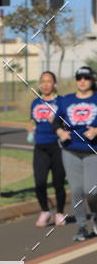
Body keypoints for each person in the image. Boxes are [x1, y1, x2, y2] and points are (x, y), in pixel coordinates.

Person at [54, 65, 97, 241]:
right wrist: (60, 132)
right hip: (70, 150)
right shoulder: (67, 100)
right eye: (79, 78)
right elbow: (55, 121)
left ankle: (95, 215)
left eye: (86, 78)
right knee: (77, 191)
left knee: (92, 191)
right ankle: (81, 227)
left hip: (92, 151)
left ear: (92, 80)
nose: (83, 81)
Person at [28, 71, 67, 227]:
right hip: (40, 147)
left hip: (57, 147)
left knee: (58, 183)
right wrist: (30, 126)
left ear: (54, 84)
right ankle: (45, 211)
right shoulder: (35, 103)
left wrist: (58, 121)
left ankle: (59, 213)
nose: (45, 84)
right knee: (39, 183)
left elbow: (69, 122)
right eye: (43, 81)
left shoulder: (61, 102)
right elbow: (32, 120)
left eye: (49, 81)